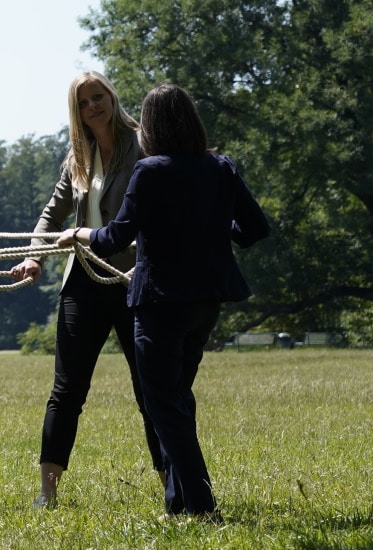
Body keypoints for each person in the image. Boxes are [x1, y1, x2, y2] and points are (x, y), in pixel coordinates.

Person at [68, 83, 271, 519]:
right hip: (206, 302)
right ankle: (177, 503)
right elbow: (255, 229)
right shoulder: (221, 168)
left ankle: (202, 506)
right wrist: (217, 234)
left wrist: (78, 234)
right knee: (177, 398)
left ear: (152, 127)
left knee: (164, 406)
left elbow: (114, 236)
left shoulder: (150, 171)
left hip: (160, 303)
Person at [9, 71, 165, 509]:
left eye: (99, 97)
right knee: (67, 390)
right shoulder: (79, 156)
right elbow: (51, 214)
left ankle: (173, 482)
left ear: (112, 98)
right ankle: (47, 493)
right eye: (83, 102)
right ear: (75, 112)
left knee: (149, 387)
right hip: (84, 280)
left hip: (135, 280)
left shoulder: (143, 144)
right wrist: (35, 255)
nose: (93, 106)